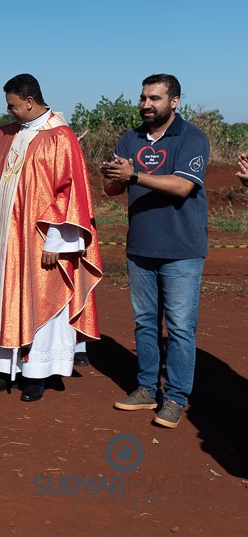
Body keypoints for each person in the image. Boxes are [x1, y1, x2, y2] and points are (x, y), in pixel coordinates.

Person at [0, 73, 102, 402]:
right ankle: (2, 369)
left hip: (39, 241)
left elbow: (69, 193)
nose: (9, 111)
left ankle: (36, 376)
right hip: (6, 242)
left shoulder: (60, 136)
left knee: (37, 300)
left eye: (13, 105)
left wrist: (56, 241)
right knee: (4, 298)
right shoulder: (14, 133)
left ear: (29, 101)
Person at [101, 73, 209, 429]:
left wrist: (133, 176)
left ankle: (176, 397)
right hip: (140, 248)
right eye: (143, 98)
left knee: (179, 327)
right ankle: (147, 388)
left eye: (155, 99)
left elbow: (181, 186)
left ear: (174, 101)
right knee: (145, 322)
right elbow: (111, 189)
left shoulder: (192, 138)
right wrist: (115, 175)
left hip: (181, 251)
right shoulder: (131, 138)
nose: (147, 105)